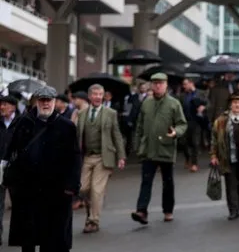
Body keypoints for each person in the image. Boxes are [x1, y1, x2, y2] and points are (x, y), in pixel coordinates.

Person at [1, 86, 82, 252]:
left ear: (55, 102)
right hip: (26, 187)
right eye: (42, 100)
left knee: (50, 233)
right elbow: (11, 150)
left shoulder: (65, 126)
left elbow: (74, 157)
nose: (45, 103)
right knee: (26, 233)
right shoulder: (24, 122)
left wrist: (72, 185)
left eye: (49, 100)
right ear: (36, 101)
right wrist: (8, 173)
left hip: (55, 189)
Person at [131, 73, 187, 225]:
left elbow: (183, 124)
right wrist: (137, 145)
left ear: (166, 85)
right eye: (155, 83)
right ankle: (141, 211)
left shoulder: (174, 104)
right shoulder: (146, 103)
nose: (158, 86)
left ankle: (168, 210)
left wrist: (176, 132)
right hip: (148, 148)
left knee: (167, 181)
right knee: (146, 181)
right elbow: (140, 126)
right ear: (151, 85)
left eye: (161, 83)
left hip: (166, 147)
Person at [76, 84, 126, 234]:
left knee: (97, 191)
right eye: (95, 94)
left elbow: (116, 135)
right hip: (86, 156)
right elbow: (77, 136)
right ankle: (90, 213)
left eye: (100, 94)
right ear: (90, 96)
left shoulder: (110, 113)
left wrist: (121, 156)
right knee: (83, 188)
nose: (98, 97)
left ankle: (93, 221)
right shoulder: (82, 113)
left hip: (103, 157)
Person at [0, 95, 20, 245]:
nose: (2, 107)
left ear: (13, 106)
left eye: (5, 105)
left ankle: (20, 234)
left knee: (19, 202)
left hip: (16, 168)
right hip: (0, 167)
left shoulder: (22, 122)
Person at [179, 77, 209, 172]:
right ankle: (188, 158)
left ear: (191, 83)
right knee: (183, 142)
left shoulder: (201, 93)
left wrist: (203, 107)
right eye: (183, 84)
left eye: (185, 84)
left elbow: (209, 103)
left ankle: (194, 163)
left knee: (195, 142)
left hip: (196, 121)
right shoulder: (182, 95)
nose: (184, 86)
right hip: (185, 121)